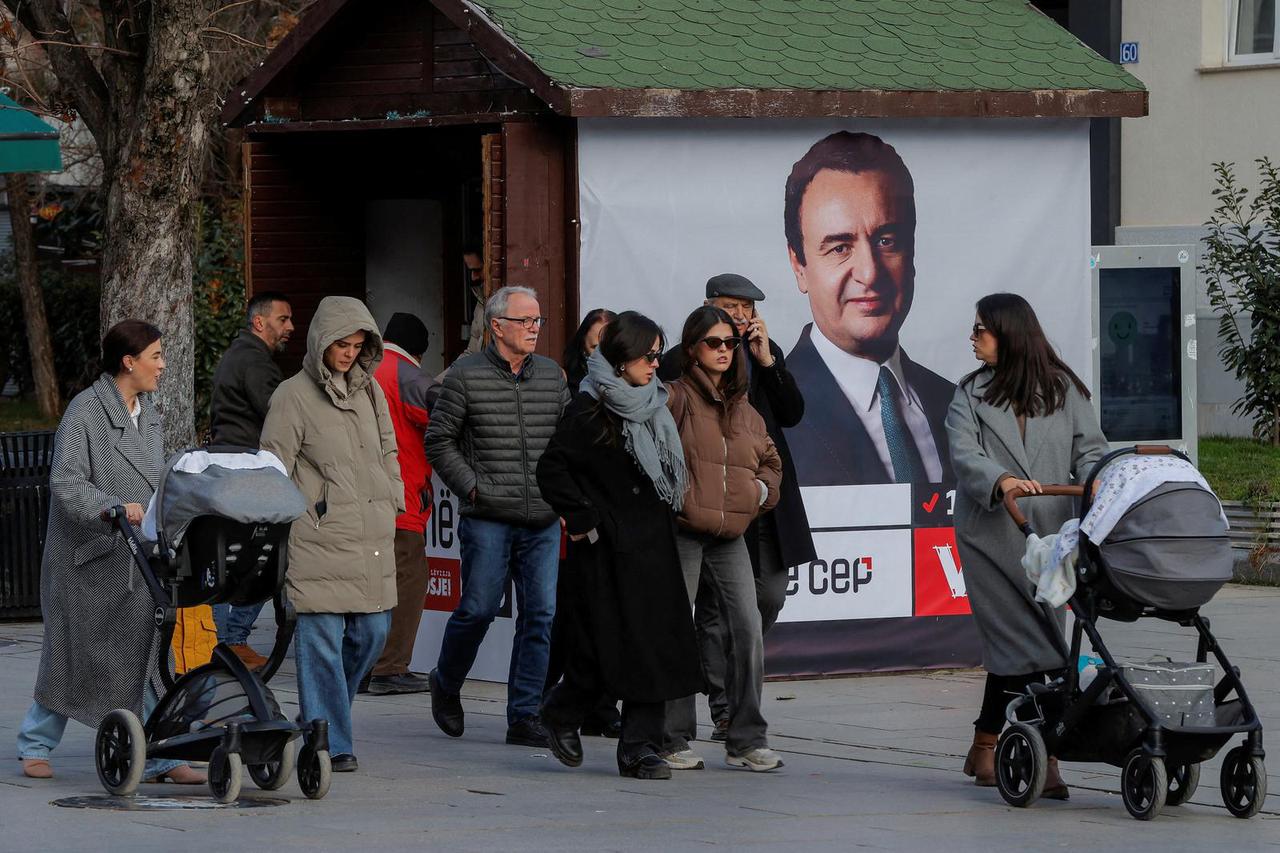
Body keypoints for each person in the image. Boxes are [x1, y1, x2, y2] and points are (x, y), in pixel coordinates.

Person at [16, 320, 204, 784]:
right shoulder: (85, 412)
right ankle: (35, 744)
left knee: (145, 653)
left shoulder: (149, 410)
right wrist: (113, 507)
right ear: (129, 361)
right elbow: (65, 481)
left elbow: (155, 475)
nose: (162, 365)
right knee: (70, 653)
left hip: (135, 557)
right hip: (87, 558)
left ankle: (161, 753)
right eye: (156, 356)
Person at [945, 292, 1109, 800]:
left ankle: (988, 743)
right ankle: (1047, 753)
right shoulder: (968, 393)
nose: (972, 339)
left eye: (981, 331)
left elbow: (1092, 450)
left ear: (1009, 333)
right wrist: (1001, 480)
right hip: (990, 536)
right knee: (1035, 646)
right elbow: (964, 453)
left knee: (1021, 647)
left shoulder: (1063, 390)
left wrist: (1097, 480)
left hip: (1050, 541)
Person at [536, 311, 703, 779]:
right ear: (620, 356)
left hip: (654, 545)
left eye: (657, 355)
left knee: (656, 646)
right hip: (608, 550)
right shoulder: (588, 408)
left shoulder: (654, 403)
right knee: (605, 651)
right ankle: (562, 712)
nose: (654, 364)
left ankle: (639, 746)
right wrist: (588, 519)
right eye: (646, 356)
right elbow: (552, 469)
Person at [657, 273, 814, 743]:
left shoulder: (765, 354)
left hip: (759, 500)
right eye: (733, 307)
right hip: (704, 503)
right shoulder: (678, 363)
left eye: (748, 309)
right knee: (708, 610)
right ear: (710, 306)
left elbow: (791, 414)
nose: (742, 317)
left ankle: (728, 690)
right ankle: (725, 710)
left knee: (768, 596)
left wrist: (769, 363)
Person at [260, 296, 403, 774]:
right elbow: (273, 467)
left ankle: (320, 714)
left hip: (371, 533)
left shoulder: (371, 392)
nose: (348, 353)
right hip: (316, 538)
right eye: (341, 344)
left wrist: (393, 497)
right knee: (321, 639)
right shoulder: (291, 395)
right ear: (321, 342)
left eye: (358, 345)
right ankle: (331, 742)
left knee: (373, 632)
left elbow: (388, 450)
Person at [425, 285, 569, 748]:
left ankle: (524, 714)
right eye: (526, 321)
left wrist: (566, 498)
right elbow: (438, 441)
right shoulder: (464, 376)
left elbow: (567, 442)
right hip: (488, 514)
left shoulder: (552, 376)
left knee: (540, 615)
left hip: (543, 516)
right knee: (478, 608)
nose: (534, 329)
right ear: (497, 326)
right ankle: (446, 682)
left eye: (538, 321)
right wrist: (472, 486)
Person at [782, 131, 954, 486]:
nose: (869, 272)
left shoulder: (954, 405)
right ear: (799, 266)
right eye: (840, 248)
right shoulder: (767, 411)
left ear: (913, 252)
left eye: (886, 241)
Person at [662, 305, 784, 773]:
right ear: (692, 348)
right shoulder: (673, 398)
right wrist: (675, 499)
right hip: (682, 532)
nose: (724, 352)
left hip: (732, 534)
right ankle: (672, 736)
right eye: (714, 343)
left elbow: (773, 463)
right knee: (677, 630)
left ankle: (746, 738)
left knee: (748, 628)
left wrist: (758, 491)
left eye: (730, 344)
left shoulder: (746, 410)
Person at [209, 290, 294, 670]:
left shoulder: (239, 355)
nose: (290, 327)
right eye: (283, 319)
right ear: (259, 322)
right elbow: (279, 416)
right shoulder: (255, 362)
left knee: (244, 555)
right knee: (268, 556)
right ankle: (233, 639)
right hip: (250, 471)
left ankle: (228, 639)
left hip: (234, 468)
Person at [547, 306, 621, 738]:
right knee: (568, 617)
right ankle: (553, 697)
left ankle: (602, 705)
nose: (601, 353)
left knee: (605, 617)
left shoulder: (632, 392)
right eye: (594, 343)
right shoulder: (569, 391)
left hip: (613, 519)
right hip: (574, 518)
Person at [366, 312, 442, 695]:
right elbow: (445, 419)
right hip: (402, 499)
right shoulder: (410, 376)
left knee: (367, 586)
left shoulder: (364, 368)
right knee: (408, 581)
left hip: (361, 499)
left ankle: (365, 664)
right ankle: (390, 666)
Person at [561, 308, 617, 392]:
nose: (602, 355)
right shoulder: (565, 378)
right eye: (595, 348)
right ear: (583, 344)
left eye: (609, 347)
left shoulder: (636, 377)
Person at [461, 246, 486, 356]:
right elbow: (471, 353)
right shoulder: (480, 303)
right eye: (471, 271)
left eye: (477, 270)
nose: (473, 277)